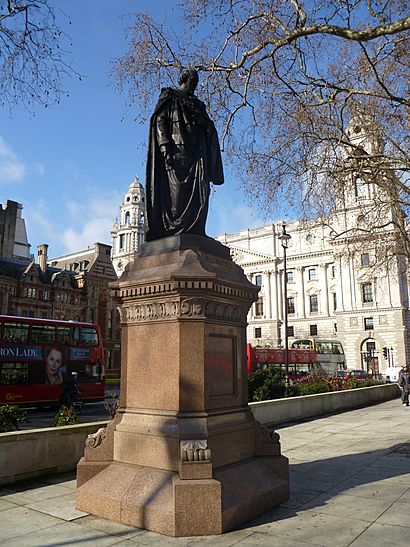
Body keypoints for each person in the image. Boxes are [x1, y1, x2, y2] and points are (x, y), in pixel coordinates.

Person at [145, 68, 224, 242]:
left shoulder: (198, 104)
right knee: (177, 194)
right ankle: (174, 229)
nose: (194, 86)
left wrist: (207, 125)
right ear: (184, 79)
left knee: (202, 192)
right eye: (192, 82)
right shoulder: (170, 96)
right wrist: (165, 147)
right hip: (177, 154)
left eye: (196, 83)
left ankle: (196, 229)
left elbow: (207, 126)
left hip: (198, 155)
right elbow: (161, 121)